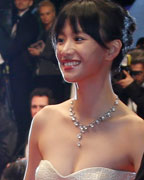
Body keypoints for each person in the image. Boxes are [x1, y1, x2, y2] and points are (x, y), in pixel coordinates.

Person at [24, 0, 144, 180]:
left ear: (111, 50)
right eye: (61, 40)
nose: (64, 50)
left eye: (78, 39)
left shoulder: (136, 132)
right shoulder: (44, 120)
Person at [1, 0, 40, 157]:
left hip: (24, 73)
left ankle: (23, 148)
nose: (20, 1)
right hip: (12, 73)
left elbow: (16, 46)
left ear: (31, 2)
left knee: (22, 109)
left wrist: (5, 53)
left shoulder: (30, 20)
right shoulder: (13, 18)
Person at [28, 0, 70, 103]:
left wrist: (40, 53)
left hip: (54, 75)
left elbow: (60, 55)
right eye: (42, 14)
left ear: (54, 13)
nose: (45, 17)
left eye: (47, 13)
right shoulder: (42, 32)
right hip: (41, 74)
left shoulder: (59, 32)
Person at [113, 48, 144, 119]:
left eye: (137, 73)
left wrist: (132, 87)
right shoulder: (121, 84)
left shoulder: (131, 86)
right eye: (131, 72)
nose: (131, 77)